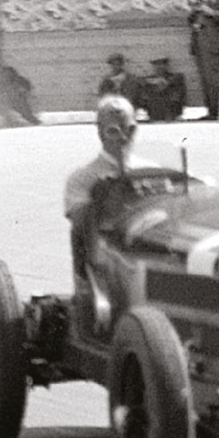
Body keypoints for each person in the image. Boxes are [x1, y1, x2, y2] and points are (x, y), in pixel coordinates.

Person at [64, 95, 151, 315]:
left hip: (149, 254)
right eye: (114, 131)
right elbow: (80, 220)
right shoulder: (82, 178)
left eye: (130, 130)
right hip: (107, 264)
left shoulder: (150, 170)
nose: (123, 138)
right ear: (100, 132)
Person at [139, 56, 186, 122]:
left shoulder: (176, 78)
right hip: (154, 112)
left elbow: (177, 79)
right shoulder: (147, 81)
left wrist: (164, 82)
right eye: (156, 65)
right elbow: (141, 83)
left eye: (161, 64)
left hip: (171, 112)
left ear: (166, 66)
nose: (159, 67)